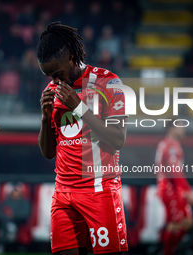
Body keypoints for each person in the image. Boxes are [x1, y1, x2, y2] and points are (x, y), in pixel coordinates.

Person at [38, 22, 128, 255]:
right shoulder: (54, 91)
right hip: (63, 196)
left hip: (99, 191)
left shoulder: (109, 82)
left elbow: (118, 139)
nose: (55, 81)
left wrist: (79, 108)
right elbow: (48, 153)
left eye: (57, 73)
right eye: (49, 76)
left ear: (70, 57)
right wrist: (45, 118)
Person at [155, 120, 193, 255]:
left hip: (173, 188)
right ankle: (167, 251)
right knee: (177, 224)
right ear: (171, 128)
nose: (184, 129)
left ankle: (167, 250)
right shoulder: (170, 145)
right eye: (181, 126)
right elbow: (174, 171)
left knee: (185, 222)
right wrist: (187, 190)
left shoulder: (173, 145)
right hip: (170, 188)